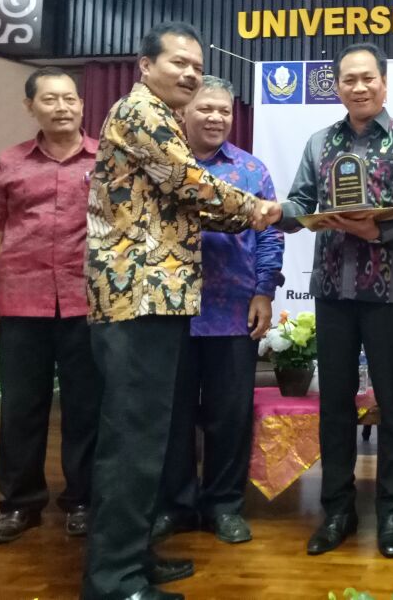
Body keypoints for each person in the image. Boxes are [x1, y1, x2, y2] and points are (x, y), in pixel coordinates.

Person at [83, 23, 267, 600]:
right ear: (145, 65)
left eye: (197, 66)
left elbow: (185, 203)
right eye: (178, 63)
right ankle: (114, 580)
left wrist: (254, 213)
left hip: (155, 298)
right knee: (132, 440)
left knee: (147, 437)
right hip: (136, 296)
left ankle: (133, 558)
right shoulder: (143, 113)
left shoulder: (159, 115)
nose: (189, 73)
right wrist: (259, 209)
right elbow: (191, 185)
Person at [254, 42, 393, 560]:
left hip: (389, 293)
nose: (359, 87)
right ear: (337, 87)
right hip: (332, 290)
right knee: (334, 404)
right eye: (349, 79)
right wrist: (280, 212)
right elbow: (301, 202)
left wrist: (377, 232)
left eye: (368, 78)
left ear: (384, 83)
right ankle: (337, 510)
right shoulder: (320, 142)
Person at [0, 67, 100, 546]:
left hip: (89, 304)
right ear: (31, 107)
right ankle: (20, 505)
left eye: (69, 98)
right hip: (23, 302)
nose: (62, 107)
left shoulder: (106, 160)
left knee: (87, 408)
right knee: (21, 409)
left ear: (81, 104)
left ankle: (83, 501)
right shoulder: (9, 163)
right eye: (49, 99)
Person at [151, 75, 284, 546]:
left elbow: (270, 235)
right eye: (206, 108)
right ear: (183, 112)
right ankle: (176, 506)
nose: (215, 118)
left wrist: (263, 291)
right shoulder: (163, 165)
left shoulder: (250, 170)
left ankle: (224, 505)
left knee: (230, 416)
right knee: (173, 416)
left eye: (224, 111)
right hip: (168, 311)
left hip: (232, 311)